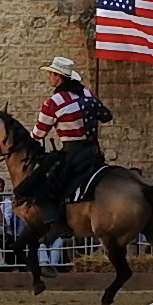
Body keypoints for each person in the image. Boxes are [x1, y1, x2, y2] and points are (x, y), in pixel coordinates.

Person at [12, 56, 109, 237]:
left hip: (71, 154)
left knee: (39, 183)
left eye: (50, 74)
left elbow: (37, 135)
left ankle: (55, 223)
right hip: (93, 152)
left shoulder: (54, 102)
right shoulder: (87, 94)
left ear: (58, 77)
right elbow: (106, 115)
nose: (48, 77)